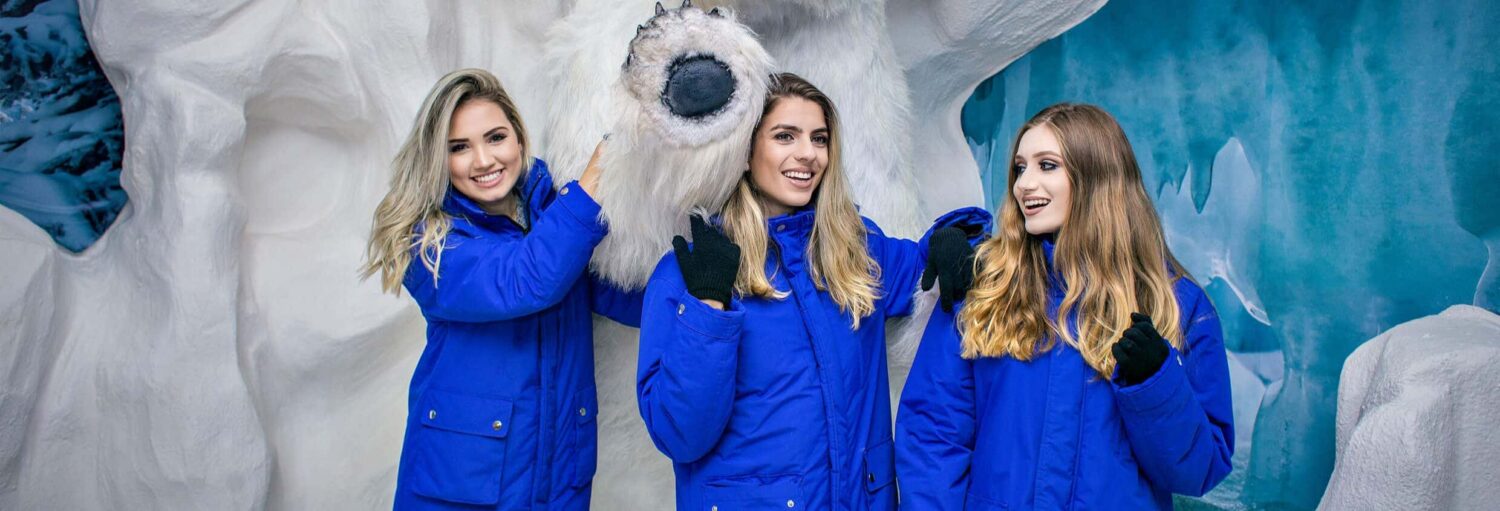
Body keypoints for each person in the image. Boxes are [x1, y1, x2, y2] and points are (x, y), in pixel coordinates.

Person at [634, 72, 988, 510]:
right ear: (745, 151)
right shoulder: (686, 273)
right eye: (785, 136)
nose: (808, 154)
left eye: (819, 139)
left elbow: (929, 264)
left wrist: (959, 240)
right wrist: (709, 306)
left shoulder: (856, 251)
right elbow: (681, 434)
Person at [895, 103, 1234, 510]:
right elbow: (934, 435)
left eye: (1047, 165)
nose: (1024, 184)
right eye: (1020, 168)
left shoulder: (1179, 306)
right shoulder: (983, 286)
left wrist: (1156, 385)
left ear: (1096, 177)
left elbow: (1197, 472)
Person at [361, 68, 640, 510]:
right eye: (459, 148)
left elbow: (622, 293)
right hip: (462, 486)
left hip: (557, 475)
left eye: (495, 137)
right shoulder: (432, 244)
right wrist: (600, 172)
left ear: (518, 138)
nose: (484, 160)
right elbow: (525, 280)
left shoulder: (555, 220)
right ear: (439, 158)